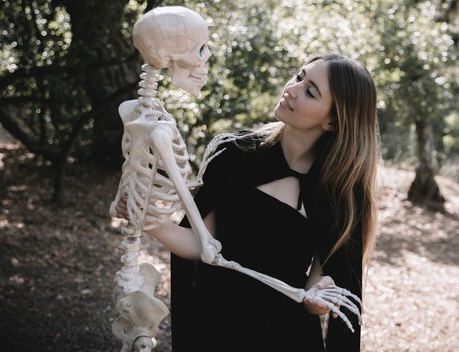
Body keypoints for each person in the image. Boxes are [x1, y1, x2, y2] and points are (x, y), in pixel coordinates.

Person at [117, 53, 379, 351]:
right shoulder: (233, 154)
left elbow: (315, 290)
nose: (292, 89)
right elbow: (201, 243)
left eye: (310, 91)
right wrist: (149, 219)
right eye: (298, 76)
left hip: (284, 338)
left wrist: (319, 300)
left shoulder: (340, 196)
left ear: (332, 120)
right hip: (214, 324)